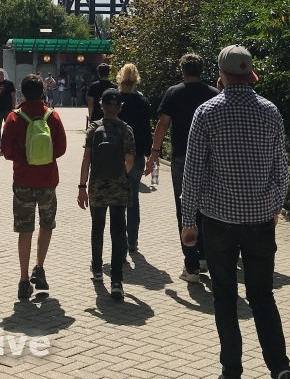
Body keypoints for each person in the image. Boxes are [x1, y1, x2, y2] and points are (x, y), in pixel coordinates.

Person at [181, 45, 290, 379]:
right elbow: (282, 171)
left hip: (218, 221)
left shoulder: (207, 113)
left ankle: (231, 369)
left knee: (225, 299)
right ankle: (280, 366)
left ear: (222, 74)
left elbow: (193, 171)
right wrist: (274, 206)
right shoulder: (271, 111)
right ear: (249, 74)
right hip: (261, 221)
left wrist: (189, 221)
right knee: (262, 297)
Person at [145, 53, 218, 280]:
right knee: (206, 207)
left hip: (181, 157)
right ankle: (205, 256)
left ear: (182, 70)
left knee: (184, 207)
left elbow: (163, 123)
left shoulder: (174, 93)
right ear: (202, 69)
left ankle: (191, 265)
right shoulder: (213, 94)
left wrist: (154, 153)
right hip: (210, 159)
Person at [1, 74, 67, 300]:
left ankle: (22, 280)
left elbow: (6, 151)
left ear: (22, 91)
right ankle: (39, 268)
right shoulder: (52, 116)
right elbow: (61, 149)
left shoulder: (14, 117)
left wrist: (22, 158)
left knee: (24, 229)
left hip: (22, 181)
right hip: (47, 180)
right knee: (46, 224)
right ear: (42, 91)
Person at [78, 88, 135, 299]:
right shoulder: (126, 129)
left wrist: (82, 187)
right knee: (118, 231)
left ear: (101, 105)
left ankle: (96, 268)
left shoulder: (94, 129)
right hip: (119, 188)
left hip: (97, 187)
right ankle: (117, 280)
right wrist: (120, 174)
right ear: (120, 107)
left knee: (97, 227)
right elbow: (130, 160)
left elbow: (86, 159)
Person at [116, 63, 151, 253]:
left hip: (114, 154)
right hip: (136, 154)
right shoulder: (142, 101)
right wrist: (149, 154)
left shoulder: (112, 98)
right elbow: (146, 130)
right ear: (137, 78)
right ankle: (132, 241)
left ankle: (119, 238)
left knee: (116, 200)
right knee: (133, 199)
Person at [0, 69, 16, 156]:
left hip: (8, 109)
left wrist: (13, 108)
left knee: (8, 128)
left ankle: (8, 145)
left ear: (2, 75)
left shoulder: (9, 84)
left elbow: (13, 96)